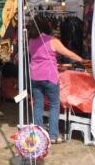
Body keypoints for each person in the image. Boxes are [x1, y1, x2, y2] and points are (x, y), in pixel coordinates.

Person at [28, 15, 85, 144]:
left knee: (38, 105)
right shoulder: (51, 40)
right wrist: (81, 60)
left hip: (35, 76)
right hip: (49, 76)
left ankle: (38, 134)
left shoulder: (31, 41)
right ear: (47, 26)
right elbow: (68, 53)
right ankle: (53, 135)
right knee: (54, 105)